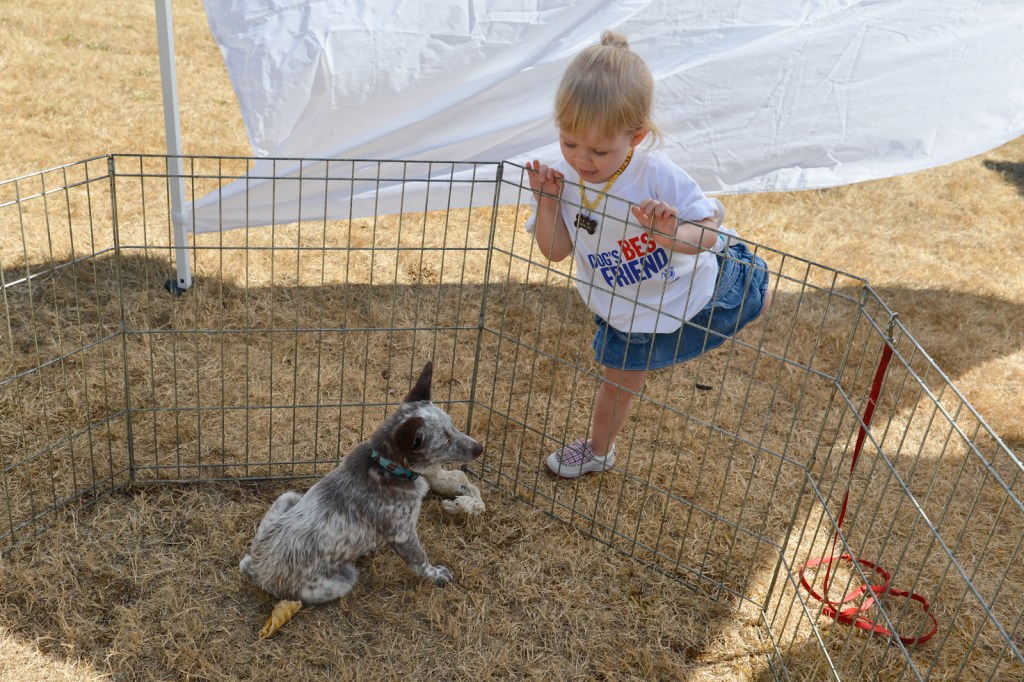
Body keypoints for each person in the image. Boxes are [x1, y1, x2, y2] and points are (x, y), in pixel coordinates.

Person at [525, 30, 771, 478]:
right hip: (627, 307)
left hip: (690, 289)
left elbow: (706, 235)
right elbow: (555, 251)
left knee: (750, 295)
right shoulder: (562, 177)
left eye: (600, 150)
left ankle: (756, 281)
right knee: (618, 380)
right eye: (569, 142)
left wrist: (668, 232)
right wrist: (546, 202)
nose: (582, 159)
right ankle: (600, 450)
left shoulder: (656, 173)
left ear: (636, 136)